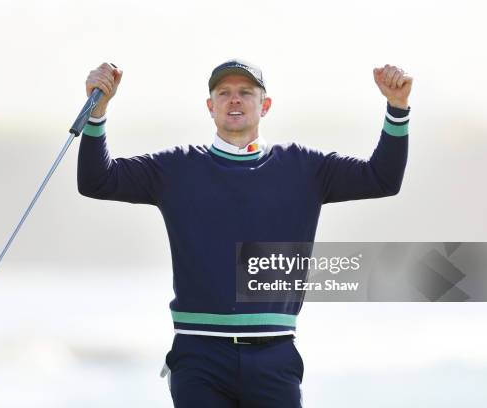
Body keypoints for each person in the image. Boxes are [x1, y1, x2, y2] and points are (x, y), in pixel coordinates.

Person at [77, 59, 412, 407]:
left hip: (275, 356)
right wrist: (97, 112)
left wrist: (397, 108)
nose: (233, 100)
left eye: (245, 93)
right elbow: (97, 180)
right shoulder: (175, 169)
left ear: (264, 105)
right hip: (198, 356)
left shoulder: (305, 168)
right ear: (210, 107)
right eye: (223, 93)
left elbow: (382, 179)